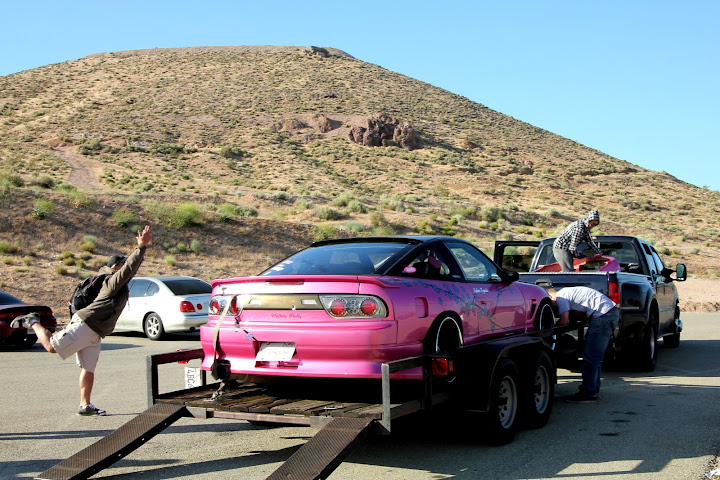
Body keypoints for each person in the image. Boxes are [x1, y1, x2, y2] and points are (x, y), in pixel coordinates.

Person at [12, 225, 153, 416]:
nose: (126, 269)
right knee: (52, 347)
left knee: (88, 368)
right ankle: (32, 321)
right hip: (86, 324)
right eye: (122, 265)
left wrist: (141, 251)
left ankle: (85, 405)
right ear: (115, 267)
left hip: (96, 332)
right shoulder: (110, 282)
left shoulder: (117, 283)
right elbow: (129, 269)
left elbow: (130, 269)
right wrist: (141, 246)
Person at [547, 286, 618, 403]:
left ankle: (589, 393)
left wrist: (551, 328)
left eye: (552, 305)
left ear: (551, 298)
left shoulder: (561, 297)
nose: (554, 308)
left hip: (603, 316)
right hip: (608, 312)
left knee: (590, 356)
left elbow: (564, 321)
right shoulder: (567, 292)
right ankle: (593, 390)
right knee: (595, 357)